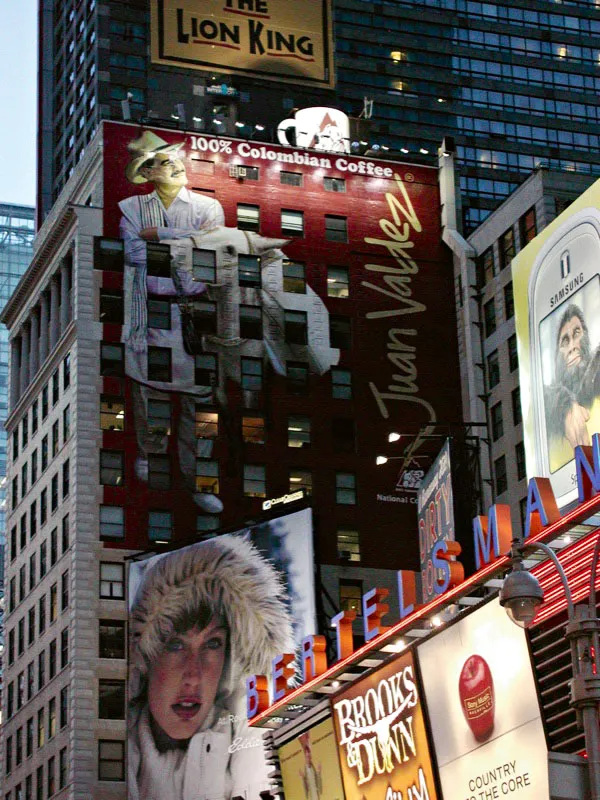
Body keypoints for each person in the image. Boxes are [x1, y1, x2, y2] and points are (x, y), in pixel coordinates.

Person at [128, 534, 294, 800]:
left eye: (213, 644)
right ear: (146, 656)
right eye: (175, 645)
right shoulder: (113, 750)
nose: (194, 676)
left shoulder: (254, 734)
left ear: (231, 654)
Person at [119, 131, 225, 512]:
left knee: (203, 406)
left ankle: (200, 480)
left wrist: (160, 234)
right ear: (148, 171)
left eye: (175, 158)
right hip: (152, 310)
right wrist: (184, 242)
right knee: (150, 393)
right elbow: (133, 253)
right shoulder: (131, 208)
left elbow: (212, 245)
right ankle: (152, 457)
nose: (176, 165)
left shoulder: (207, 205)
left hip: (195, 314)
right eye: (164, 161)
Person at [546, 303, 600, 450]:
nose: (572, 347)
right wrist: (565, 406)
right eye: (565, 341)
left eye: (577, 333)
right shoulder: (549, 399)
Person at [298, 731, 323, 800]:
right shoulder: (306, 768)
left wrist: (318, 772)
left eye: (309, 756)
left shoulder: (312, 768)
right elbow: (306, 788)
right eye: (307, 756)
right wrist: (303, 778)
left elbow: (318, 785)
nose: (308, 757)